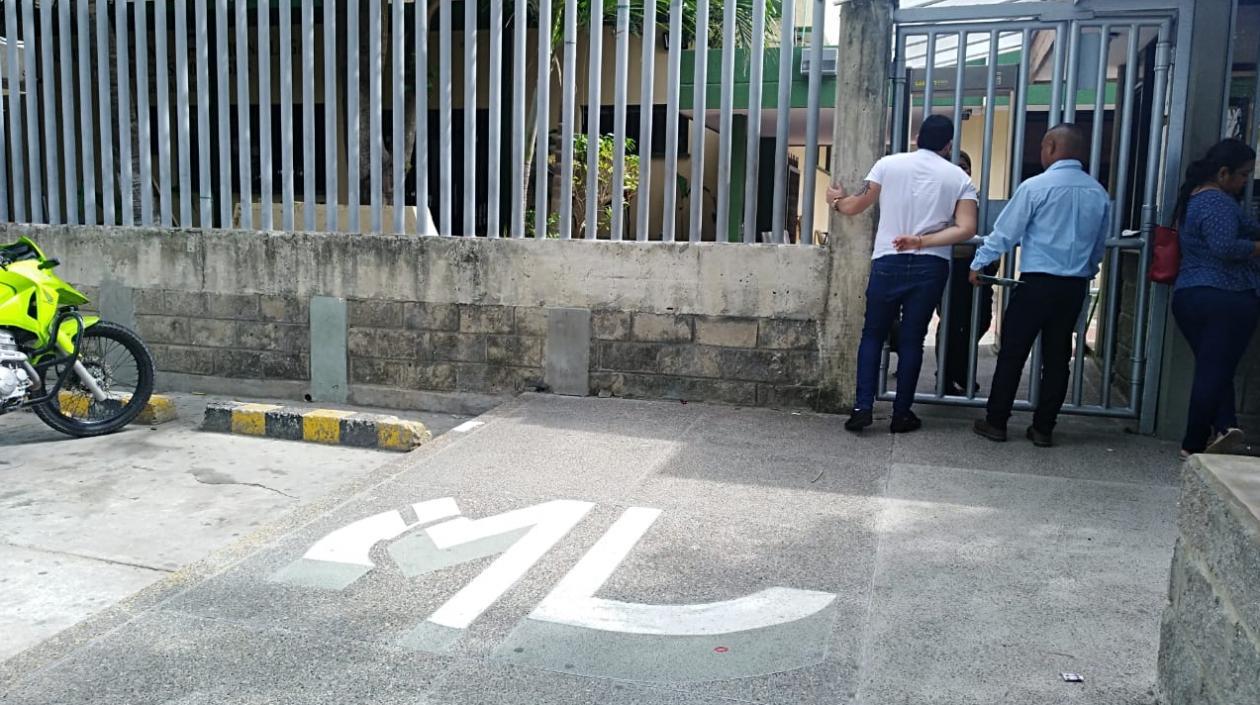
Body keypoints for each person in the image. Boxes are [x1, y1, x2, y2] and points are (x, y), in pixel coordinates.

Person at [827, 115, 978, 433]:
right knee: (912, 339)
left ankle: (862, 407)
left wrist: (836, 201)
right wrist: (923, 241)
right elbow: (967, 229)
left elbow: (855, 206)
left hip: (888, 260)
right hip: (931, 265)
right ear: (949, 145)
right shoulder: (959, 178)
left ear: (917, 138)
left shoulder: (887, 165)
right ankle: (901, 414)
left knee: (872, 334)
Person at [971, 123, 1110, 447]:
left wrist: (979, 263)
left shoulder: (1035, 187)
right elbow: (1098, 246)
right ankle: (1043, 429)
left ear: (1050, 146)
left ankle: (997, 422)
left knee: (1013, 354)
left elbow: (1006, 233)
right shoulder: (1098, 193)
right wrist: (1088, 270)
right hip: (1073, 286)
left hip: (1037, 284)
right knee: (1058, 357)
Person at [1168, 139, 1259, 458]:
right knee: (1214, 370)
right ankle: (1193, 442)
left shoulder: (1193, 199)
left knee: (1215, 367)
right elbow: (1225, 247)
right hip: (1225, 296)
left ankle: (1225, 426)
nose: (1246, 181)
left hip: (1191, 295)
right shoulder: (1217, 202)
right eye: (1244, 175)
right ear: (1223, 173)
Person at [939, 151, 999, 396]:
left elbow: (993, 234)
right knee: (952, 325)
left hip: (979, 266)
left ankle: (958, 369)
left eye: (965, 166)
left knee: (981, 320)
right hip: (951, 268)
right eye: (956, 166)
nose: (961, 171)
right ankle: (946, 378)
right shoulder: (939, 200)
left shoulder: (979, 200)